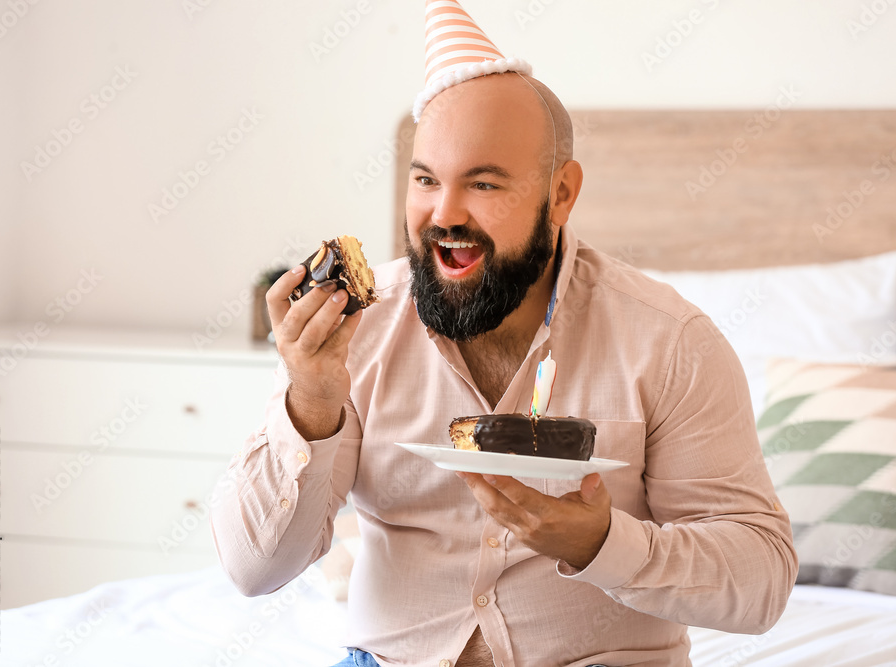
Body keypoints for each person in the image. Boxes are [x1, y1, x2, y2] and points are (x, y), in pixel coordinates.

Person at [210, 3, 797, 666]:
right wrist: (310, 403)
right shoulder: (357, 331)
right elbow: (252, 569)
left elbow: (763, 580)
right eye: (426, 180)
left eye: (484, 183)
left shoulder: (669, 341)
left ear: (562, 193)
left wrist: (603, 543)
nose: (445, 213)